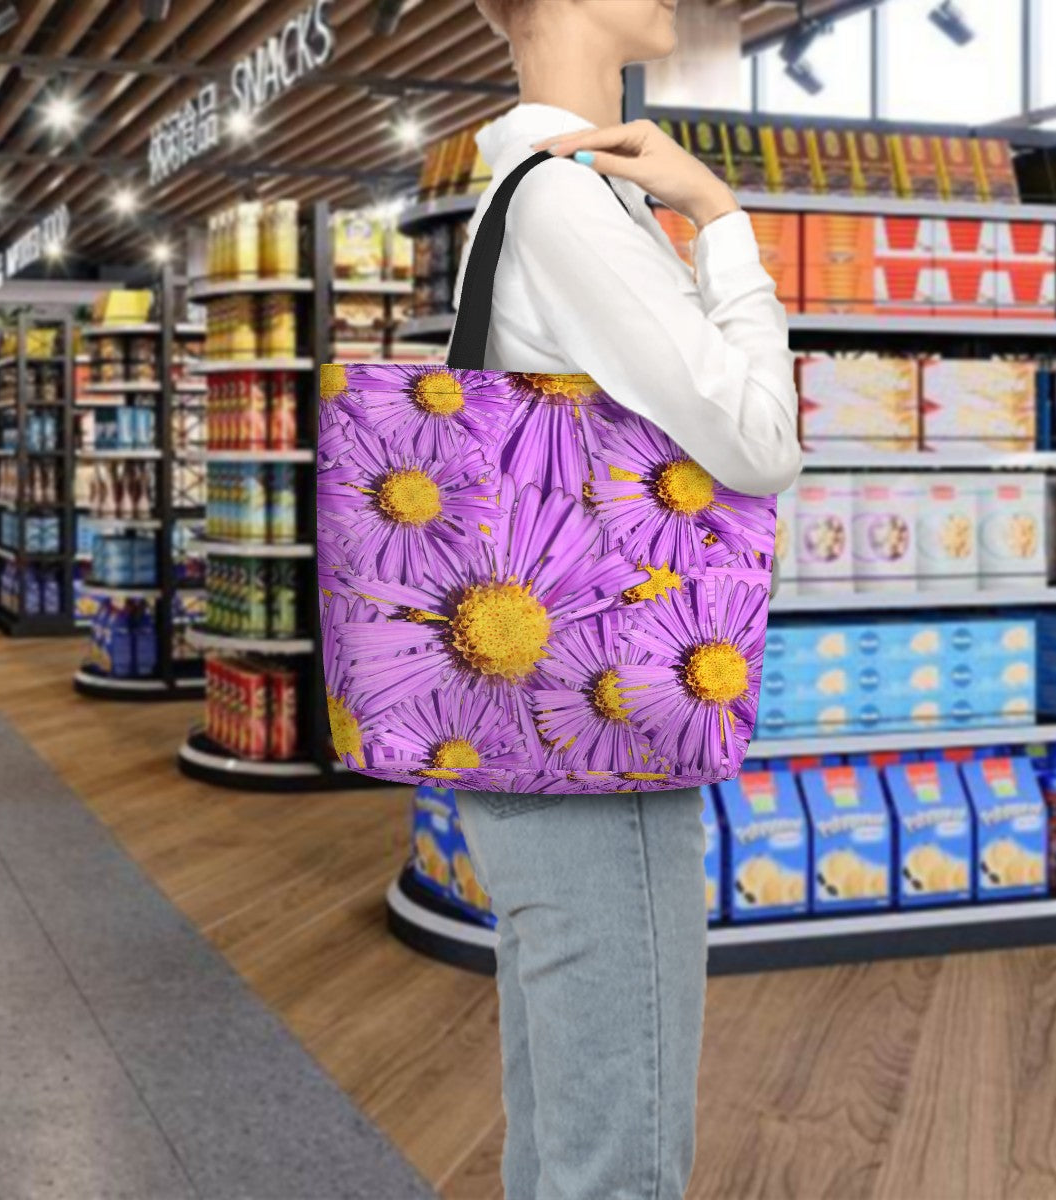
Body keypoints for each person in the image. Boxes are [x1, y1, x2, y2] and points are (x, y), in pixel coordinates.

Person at [451, 2, 802, 1196]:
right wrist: (724, 223)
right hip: (601, 732)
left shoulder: (530, 190)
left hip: (531, 717)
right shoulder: (562, 203)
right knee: (619, 1158)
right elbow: (756, 442)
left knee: (565, 1139)